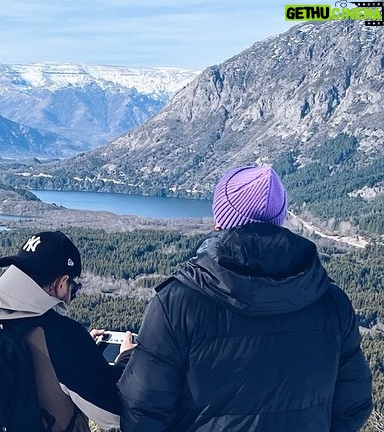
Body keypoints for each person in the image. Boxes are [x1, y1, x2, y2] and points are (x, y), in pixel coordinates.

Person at [118, 166, 373, 431]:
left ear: (220, 222)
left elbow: (142, 415)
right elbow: (353, 407)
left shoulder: (176, 304)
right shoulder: (332, 302)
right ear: (280, 220)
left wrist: (126, 361)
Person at [0, 230, 135, 431]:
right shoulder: (62, 336)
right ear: (62, 283)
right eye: (74, 289)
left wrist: (84, 355)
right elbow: (115, 414)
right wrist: (127, 358)